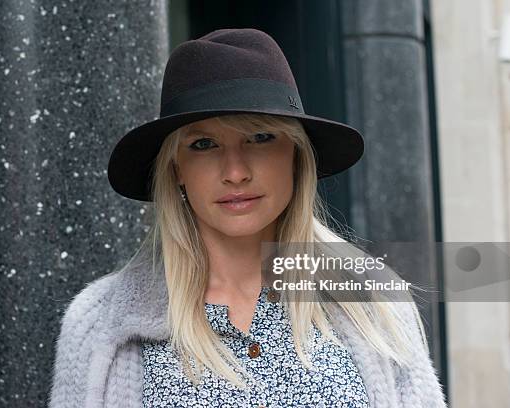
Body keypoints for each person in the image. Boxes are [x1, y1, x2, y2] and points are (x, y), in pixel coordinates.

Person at [48, 28, 447, 408]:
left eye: (260, 137)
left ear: (295, 156)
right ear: (175, 170)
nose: (235, 171)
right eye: (204, 144)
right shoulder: (100, 323)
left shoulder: (373, 301)